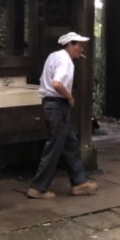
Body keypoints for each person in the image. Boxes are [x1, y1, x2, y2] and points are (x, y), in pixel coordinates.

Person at [26, 31, 98, 199]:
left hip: (51, 104)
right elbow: (57, 83)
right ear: (69, 45)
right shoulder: (66, 62)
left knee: (70, 144)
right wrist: (70, 97)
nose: (81, 48)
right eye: (78, 45)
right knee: (54, 147)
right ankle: (38, 187)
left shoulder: (54, 56)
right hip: (57, 105)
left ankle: (79, 183)